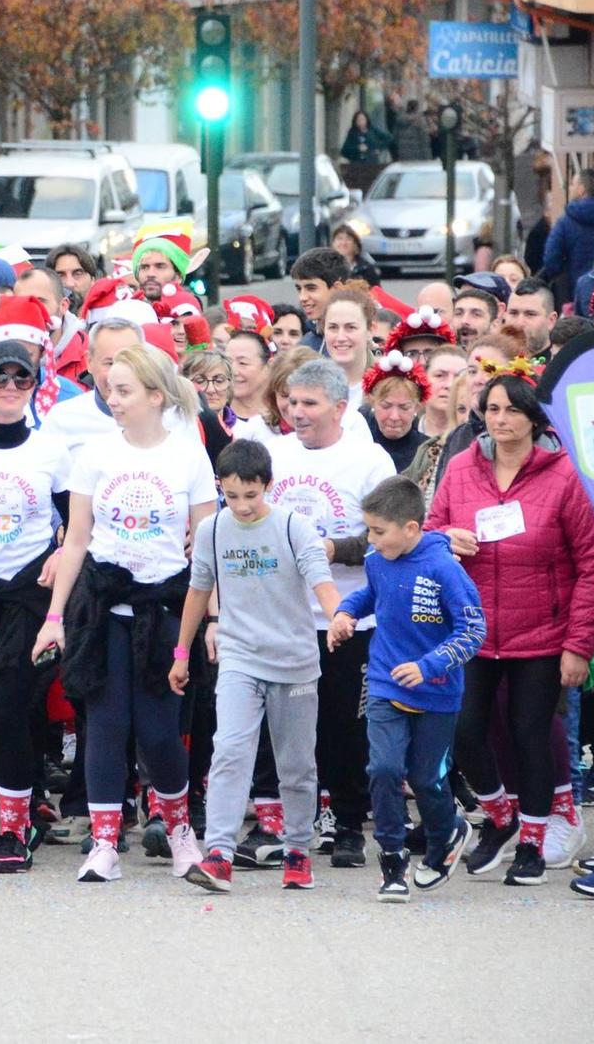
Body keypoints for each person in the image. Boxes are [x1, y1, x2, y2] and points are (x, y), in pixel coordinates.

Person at [35, 345, 210, 883]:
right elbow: (78, 540)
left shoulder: (187, 455)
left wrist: (216, 622)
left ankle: (180, 832)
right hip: (105, 606)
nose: (113, 399)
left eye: (125, 390)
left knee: (158, 732)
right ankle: (105, 843)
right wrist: (54, 616)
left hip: (166, 609)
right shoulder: (96, 454)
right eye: (110, 389)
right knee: (106, 726)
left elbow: (205, 549)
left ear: (156, 396)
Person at [426, 374, 594, 885]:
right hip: (472, 630)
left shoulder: (563, 476)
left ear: (534, 418)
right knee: (462, 731)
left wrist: (578, 645)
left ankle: (532, 840)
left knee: (530, 735)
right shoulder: (463, 469)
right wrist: (444, 537)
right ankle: (500, 816)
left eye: (510, 410)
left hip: (541, 633)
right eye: (491, 408)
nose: (499, 419)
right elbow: (427, 535)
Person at [176, 440, 343, 892]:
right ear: (221, 489)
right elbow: (197, 589)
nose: (243, 506)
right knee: (229, 750)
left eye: (251, 495)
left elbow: (319, 579)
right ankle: (220, 854)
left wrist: (337, 616)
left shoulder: (294, 527)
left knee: (296, 764)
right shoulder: (212, 530)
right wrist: (180, 651)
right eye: (232, 496)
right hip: (239, 656)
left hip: (294, 660)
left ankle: (297, 850)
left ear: (267, 486)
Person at [264, 358, 396, 867]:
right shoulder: (273, 454)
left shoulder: (369, 461)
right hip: (286, 617)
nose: (297, 413)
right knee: (294, 728)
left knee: (345, 727)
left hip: (349, 619)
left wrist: (328, 549)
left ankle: (347, 825)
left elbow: (388, 536)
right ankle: (296, 821)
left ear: (340, 408)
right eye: (292, 402)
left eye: (309, 404)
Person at [328, 475, 484, 902]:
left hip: (436, 694)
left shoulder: (445, 569)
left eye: (378, 532)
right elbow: (369, 595)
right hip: (383, 683)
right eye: (369, 531)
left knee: (427, 779)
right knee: (383, 769)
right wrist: (345, 613)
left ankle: (445, 838)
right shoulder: (379, 560)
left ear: (411, 529)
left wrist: (428, 665)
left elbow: (473, 631)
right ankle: (392, 861)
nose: (371, 541)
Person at [401, 346, 473, 488]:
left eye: (459, 377)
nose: (450, 385)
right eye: (440, 376)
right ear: (424, 380)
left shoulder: (472, 443)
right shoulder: (402, 434)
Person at [539, 167, 594, 299]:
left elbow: (551, 258)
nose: (570, 188)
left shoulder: (566, 222)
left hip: (574, 291)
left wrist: (562, 279)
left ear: (581, 189)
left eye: (572, 184)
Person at [363, 352, 428, 469]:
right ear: (373, 402)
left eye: (404, 407)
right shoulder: (356, 442)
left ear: (417, 407)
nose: (394, 417)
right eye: (386, 406)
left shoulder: (427, 453)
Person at [290, 249, 350, 347]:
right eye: (299, 289)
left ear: (337, 289)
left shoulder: (359, 341)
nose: (302, 297)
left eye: (311, 288)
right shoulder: (305, 344)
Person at [502, 280, 558, 362]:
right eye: (513, 313)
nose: (519, 323)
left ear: (551, 320)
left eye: (530, 314)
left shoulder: (562, 370)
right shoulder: (489, 363)